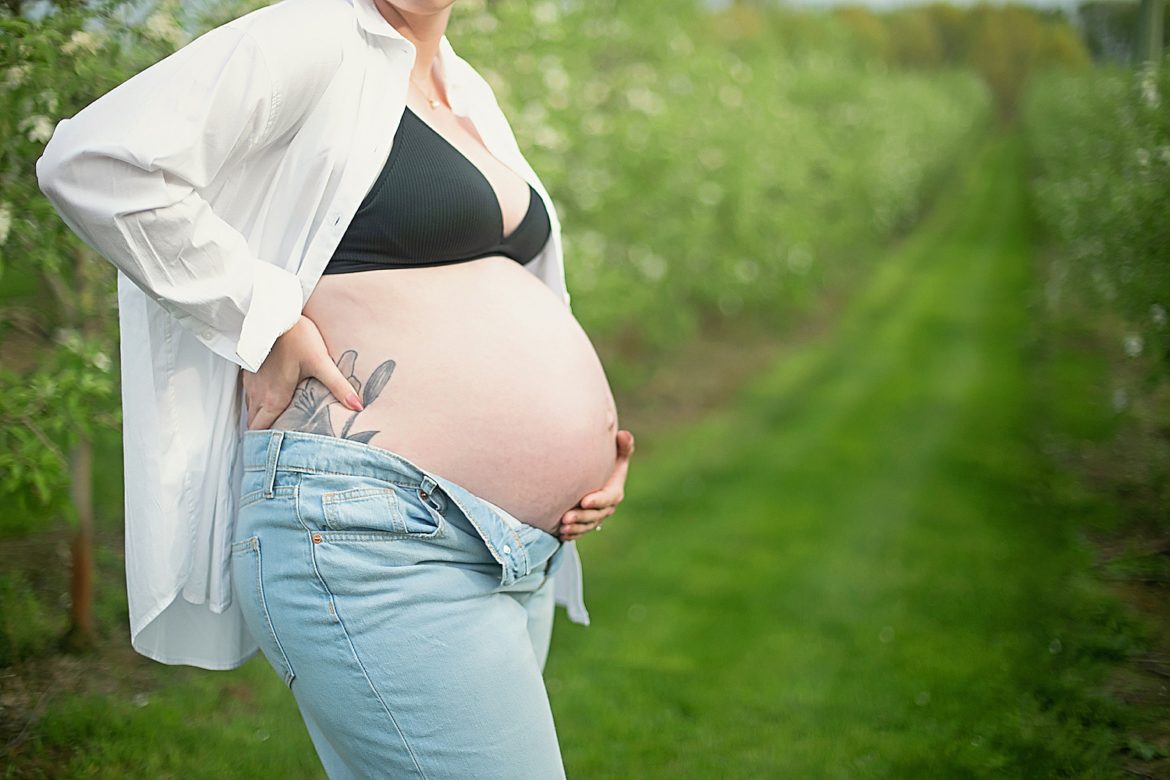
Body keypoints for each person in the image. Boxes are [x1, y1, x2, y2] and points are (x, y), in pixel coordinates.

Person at [36, 0, 635, 775]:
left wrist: (590, 447)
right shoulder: (313, 33)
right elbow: (97, 161)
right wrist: (266, 317)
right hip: (371, 529)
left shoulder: (465, 89)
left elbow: (516, 294)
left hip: (516, 541)